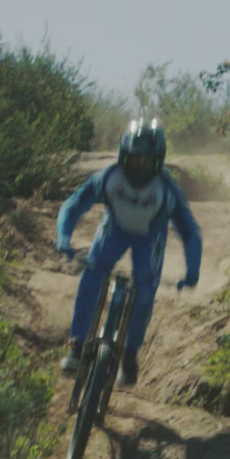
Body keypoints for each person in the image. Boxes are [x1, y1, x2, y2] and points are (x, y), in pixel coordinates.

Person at [55, 118, 202, 385]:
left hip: (150, 239)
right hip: (114, 231)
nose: (140, 167)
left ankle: (130, 355)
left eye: (147, 162)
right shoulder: (108, 178)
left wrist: (193, 271)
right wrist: (63, 237)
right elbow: (73, 206)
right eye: (134, 160)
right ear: (122, 156)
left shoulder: (167, 191)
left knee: (144, 293)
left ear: (159, 162)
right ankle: (76, 346)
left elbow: (190, 233)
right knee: (91, 278)